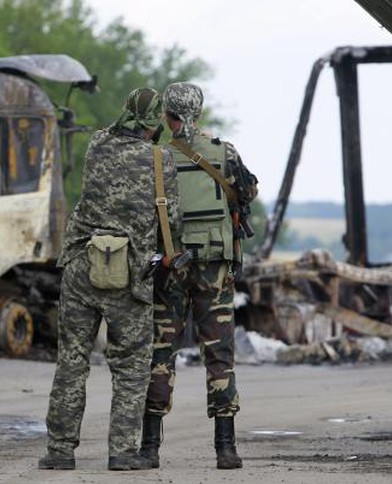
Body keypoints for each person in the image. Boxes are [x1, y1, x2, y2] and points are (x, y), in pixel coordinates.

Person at [38, 88, 179, 471]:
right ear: (154, 121)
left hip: (83, 264)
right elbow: (173, 221)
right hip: (129, 273)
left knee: (72, 361)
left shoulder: (97, 144)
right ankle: (122, 452)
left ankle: (59, 452)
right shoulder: (160, 159)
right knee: (131, 366)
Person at [140, 82, 258, 470]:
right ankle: (225, 449)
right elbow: (249, 191)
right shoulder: (224, 152)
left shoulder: (157, 157)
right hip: (214, 267)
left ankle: (149, 448)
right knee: (219, 354)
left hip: (171, 267)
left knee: (161, 351)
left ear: (167, 116)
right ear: (199, 113)